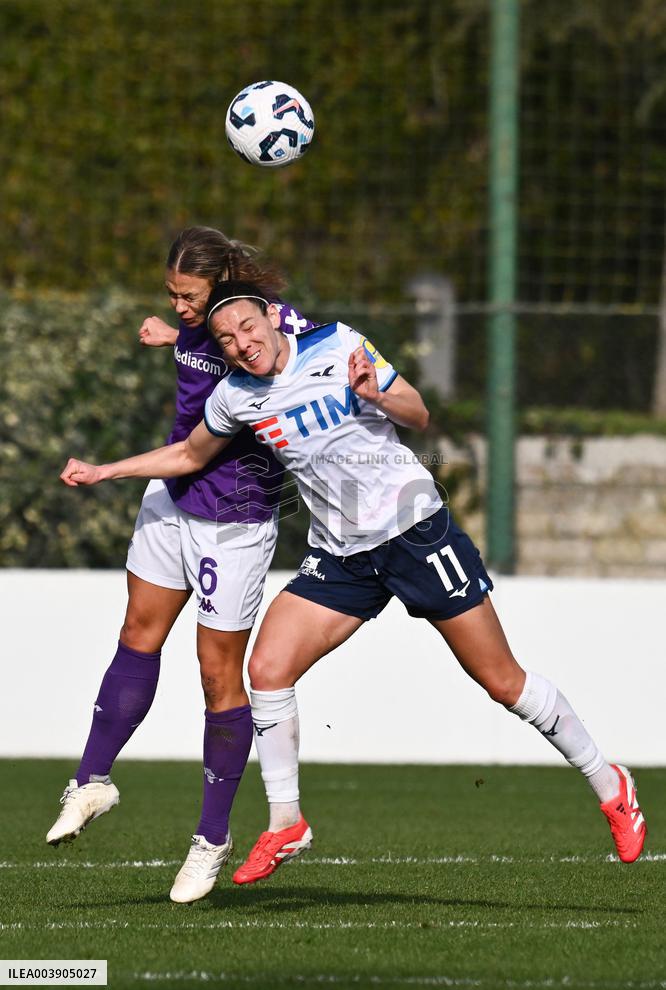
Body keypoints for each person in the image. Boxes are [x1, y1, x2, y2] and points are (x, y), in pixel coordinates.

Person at [59, 280, 648, 887]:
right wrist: (108, 470)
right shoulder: (234, 396)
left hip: (416, 534)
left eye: (248, 327)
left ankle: (610, 784)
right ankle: (286, 821)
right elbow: (188, 456)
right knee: (266, 670)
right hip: (341, 555)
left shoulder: (337, 344)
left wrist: (376, 393)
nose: (241, 344)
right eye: (227, 339)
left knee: (503, 682)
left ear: (270, 317)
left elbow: (419, 413)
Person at [46, 237, 315, 904]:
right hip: (171, 500)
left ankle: (211, 840)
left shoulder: (266, 326)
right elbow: (195, 352)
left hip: (235, 518)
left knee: (216, 673)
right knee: (138, 629)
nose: (177, 303)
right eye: (170, 293)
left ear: (224, 285)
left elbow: (317, 345)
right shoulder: (198, 328)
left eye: (187, 295)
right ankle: (91, 783)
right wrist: (174, 331)